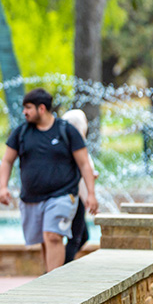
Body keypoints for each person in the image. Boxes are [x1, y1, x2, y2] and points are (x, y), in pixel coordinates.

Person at [0, 89, 98, 273]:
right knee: (44, 240)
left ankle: (54, 285)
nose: (24, 112)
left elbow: (84, 164)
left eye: (28, 108)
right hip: (31, 198)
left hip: (62, 195)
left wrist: (91, 194)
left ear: (41, 108)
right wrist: (3, 187)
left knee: (53, 236)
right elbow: (7, 161)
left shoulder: (66, 131)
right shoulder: (21, 132)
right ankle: (50, 277)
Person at [61, 109, 98, 263]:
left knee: (83, 236)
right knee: (76, 238)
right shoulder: (76, 147)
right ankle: (59, 269)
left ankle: (58, 265)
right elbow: (79, 176)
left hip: (74, 197)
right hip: (75, 197)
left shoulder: (68, 144)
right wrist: (89, 198)